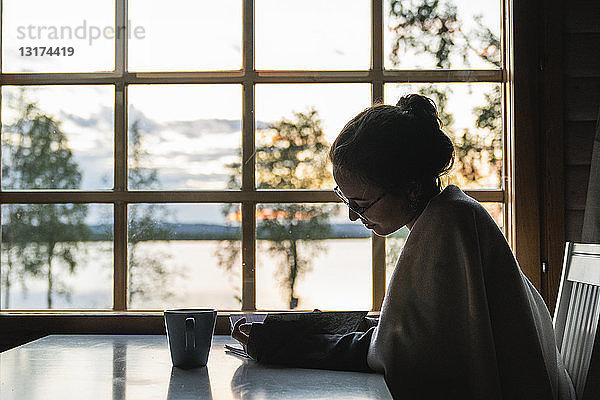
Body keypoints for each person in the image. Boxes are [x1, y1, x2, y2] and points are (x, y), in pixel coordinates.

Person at [232, 94, 575, 399]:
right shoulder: (449, 217)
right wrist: (297, 331)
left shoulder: (448, 228)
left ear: (410, 188)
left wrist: (286, 348)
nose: (353, 217)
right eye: (344, 199)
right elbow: (408, 332)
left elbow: (403, 354)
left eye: (361, 203)